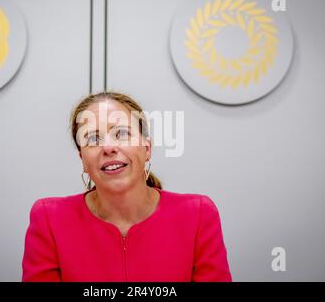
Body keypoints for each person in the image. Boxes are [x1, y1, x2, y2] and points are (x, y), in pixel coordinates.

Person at [22, 91, 232, 282]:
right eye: (93, 138)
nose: (108, 147)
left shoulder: (198, 215)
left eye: (121, 133)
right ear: (83, 159)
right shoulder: (49, 219)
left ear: (147, 148)